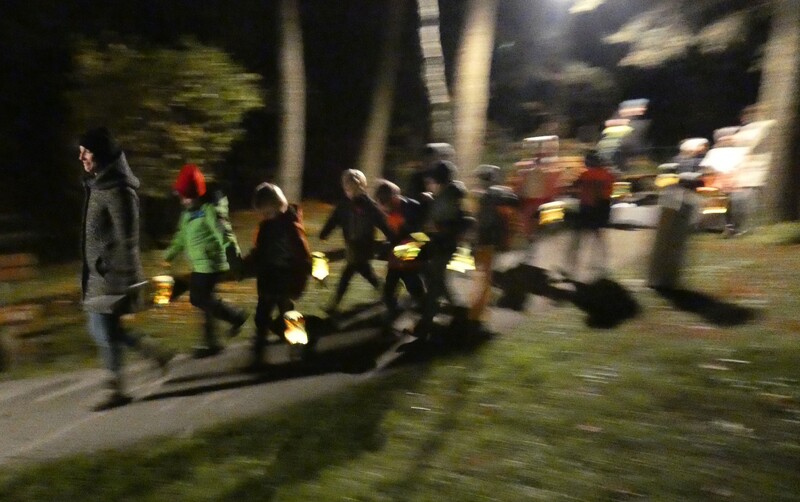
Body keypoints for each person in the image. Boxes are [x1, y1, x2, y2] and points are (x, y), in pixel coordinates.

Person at [79, 126, 172, 411]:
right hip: (100, 274)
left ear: (100, 153)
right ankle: (154, 353)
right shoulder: (100, 185)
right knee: (104, 329)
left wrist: (118, 274)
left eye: (86, 152)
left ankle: (116, 388)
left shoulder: (118, 190)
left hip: (112, 274)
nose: (81, 158)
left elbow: (128, 237)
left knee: (103, 329)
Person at [164, 163, 248, 358]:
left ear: (197, 195)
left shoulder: (210, 211)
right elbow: (180, 237)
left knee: (198, 298)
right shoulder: (187, 215)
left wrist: (234, 259)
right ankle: (211, 343)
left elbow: (225, 235)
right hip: (200, 264)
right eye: (181, 196)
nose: (183, 200)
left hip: (212, 263)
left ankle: (236, 316)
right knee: (205, 303)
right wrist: (169, 255)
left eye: (186, 196)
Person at [242, 183, 312, 370]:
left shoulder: (290, 227)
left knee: (287, 314)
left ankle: (298, 348)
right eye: (262, 214)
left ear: (277, 206)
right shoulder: (265, 227)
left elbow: (302, 253)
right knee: (261, 318)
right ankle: (259, 355)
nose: (264, 217)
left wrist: (303, 272)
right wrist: (246, 263)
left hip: (285, 279)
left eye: (267, 213)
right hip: (267, 280)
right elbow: (259, 251)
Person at [320, 169, 394, 314]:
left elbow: (381, 222)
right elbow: (334, 219)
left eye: (352, 188)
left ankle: (333, 306)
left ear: (361, 187)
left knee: (347, 275)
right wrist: (325, 232)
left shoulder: (369, 206)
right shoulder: (344, 205)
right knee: (365, 272)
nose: (349, 192)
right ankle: (386, 292)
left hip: (364, 246)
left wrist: (391, 236)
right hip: (352, 246)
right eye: (347, 189)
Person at [413, 160, 469, 340]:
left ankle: (425, 324)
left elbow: (448, 223)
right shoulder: (446, 195)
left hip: (444, 245)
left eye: (432, 180)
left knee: (435, 285)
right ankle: (459, 310)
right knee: (437, 280)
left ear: (439, 180)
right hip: (439, 244)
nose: (429, 183)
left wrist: (435, 227)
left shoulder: (448, 197)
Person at [470, 165, 519, 324]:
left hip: (484, 241)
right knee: (485, 276)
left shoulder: (485, 196)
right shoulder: (500, 194)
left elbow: (481, 222)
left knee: (483, 277)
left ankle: (478, 312)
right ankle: (480, 310)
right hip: (492, 241)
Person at [374, 179, 426, 317]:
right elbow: (394, 234)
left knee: (409, 279)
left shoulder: (409, 209)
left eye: (383, 205)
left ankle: (423, 306)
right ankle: (394, 308)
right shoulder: (394, 210)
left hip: (410, 250)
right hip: (400, 252)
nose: (382, 210)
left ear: (391, 199)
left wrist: (400, 246)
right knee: (392, 284)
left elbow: (417, 233)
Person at [563, 151, 616, 279]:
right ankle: (602, 264)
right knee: (598, 237)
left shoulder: (586, 174)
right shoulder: (608, 175)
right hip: (601, 210)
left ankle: (570, 266)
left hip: (586, 209)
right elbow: (610, 193)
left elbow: (574, 186)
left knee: (578, 238)